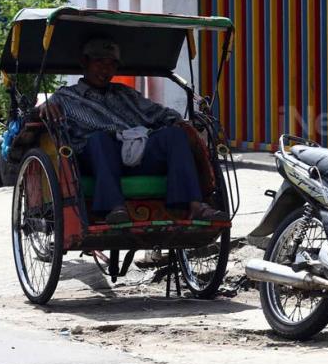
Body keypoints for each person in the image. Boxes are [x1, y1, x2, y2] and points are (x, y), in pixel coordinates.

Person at [40, 37, 227, 224]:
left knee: (175, 135)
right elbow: (33, 118)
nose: (105, 70)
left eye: (111, 64)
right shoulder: (64, 97)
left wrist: (187, 124)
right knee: (100, 140)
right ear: (84, 62)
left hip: (137, 152)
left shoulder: (126, 93)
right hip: (97, 158)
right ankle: (115, 208)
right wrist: (41, 109)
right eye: (99, 62)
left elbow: (161, 113)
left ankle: (195, 205)